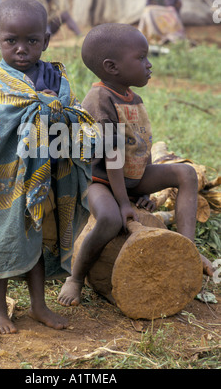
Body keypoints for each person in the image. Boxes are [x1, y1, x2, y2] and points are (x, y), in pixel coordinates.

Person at [0, 0, 96, 334]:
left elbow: (69, 120)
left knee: (39, 240)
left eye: (32, 40)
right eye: (11, 40)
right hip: (1, 181)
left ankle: (39, 305)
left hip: (42, 179)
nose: (21, 49)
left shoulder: (55, 78)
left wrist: (56, 115)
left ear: (45, 40)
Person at [58, 23, 214, 308]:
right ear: (112, 67)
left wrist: (141, 189)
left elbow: (141, 144)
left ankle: (188, 249)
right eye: (140, 58)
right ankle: (76, 277)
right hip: (101, 181)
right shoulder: (100, 100)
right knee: (109, 218)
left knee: (186, 173)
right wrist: (124, 202)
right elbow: (112, 156)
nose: (149, 64)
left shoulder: (133, 98)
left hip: (132, 177)